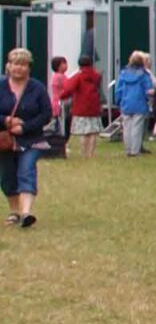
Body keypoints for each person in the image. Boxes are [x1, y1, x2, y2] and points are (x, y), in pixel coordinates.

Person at [2, 48, 54, 229]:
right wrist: (6, 120)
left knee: (26, 170)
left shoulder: (37, 88)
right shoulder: (1, 85)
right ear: (8, 66)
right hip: (4, 141)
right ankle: (14, 211)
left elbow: (46, 114)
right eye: (15, 64)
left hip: (31, 139)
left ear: (28, 68)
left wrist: (24, 127)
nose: (18, 68)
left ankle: (26, 213)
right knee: (7, 177)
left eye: (23, 64)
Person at [114, 52, 156, 156]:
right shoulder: (144, 75)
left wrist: (118, 101)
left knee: (127, 127)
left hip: (126, 103)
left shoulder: (123, 73)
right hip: (139, 103)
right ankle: (135, 151)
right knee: (137, 128)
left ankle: (128, 150)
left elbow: (118, 89)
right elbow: (148, 90)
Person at [66, 56, 106, 159]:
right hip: (94, 106)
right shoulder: (96, 75)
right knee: (92, 132)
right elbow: (99, 91)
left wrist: (62, 96)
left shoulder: (78, 76)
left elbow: (69, 88)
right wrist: (101, 103)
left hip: (80, 107)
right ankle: (91, 154)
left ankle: (84, 154)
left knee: (83, 133)